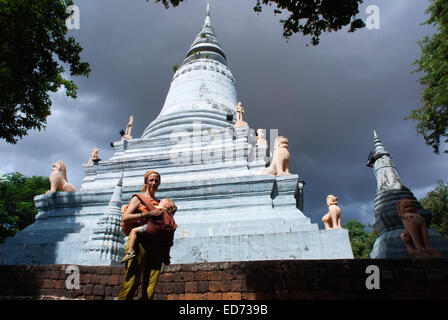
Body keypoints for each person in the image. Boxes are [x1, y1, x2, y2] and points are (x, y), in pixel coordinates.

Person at [117, 170, 170, 300]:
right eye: (151, 180)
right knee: (132, 280)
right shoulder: (138, 199)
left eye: (157, 180)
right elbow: (126, 218)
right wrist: (147, 214)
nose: (154, 183)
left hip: (156, 244)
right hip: (139, 241)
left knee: (151, 283)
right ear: (146, 182)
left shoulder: (161, 203)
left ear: (159, 183)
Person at [121, 198, 177, 263]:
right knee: (168, 243)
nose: (159, 203)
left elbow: (149, 209)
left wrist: (142, 206)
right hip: (164, 232)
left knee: (134, 231)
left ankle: (130, 251)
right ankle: (166, 256)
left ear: (168, 206)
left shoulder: (159, 209)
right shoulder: (170, 216)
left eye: (161, 202)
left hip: (153, 228)